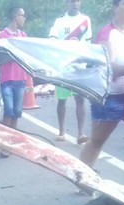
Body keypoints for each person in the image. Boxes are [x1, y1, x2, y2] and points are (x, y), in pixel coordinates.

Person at [79, 0, 124, 168]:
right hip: (110, 97)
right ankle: (81, 177)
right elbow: (109, 68)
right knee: (97, 141)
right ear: (115, 8)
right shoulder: (107, 34)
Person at [49, 0, 92, 144]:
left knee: (80, 99)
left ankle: (81, 133)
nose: (75, 3)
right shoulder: (59, 21)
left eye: (78, 0)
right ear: (67, 2)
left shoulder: (85, 20)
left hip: (79, 67)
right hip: (63, 67)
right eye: (72, 1)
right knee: (62, 100)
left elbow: (88, 44)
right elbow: (52, 41)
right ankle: (61, 131)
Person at [0, 7, 28, 157]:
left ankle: (12, 142)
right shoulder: (2, 35)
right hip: (7, 79)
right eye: (22, 16)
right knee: (8, 111)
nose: (24, 19)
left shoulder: (23, 35)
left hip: (20, 78)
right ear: (16, 16)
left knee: (16, 112)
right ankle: (4, 143)